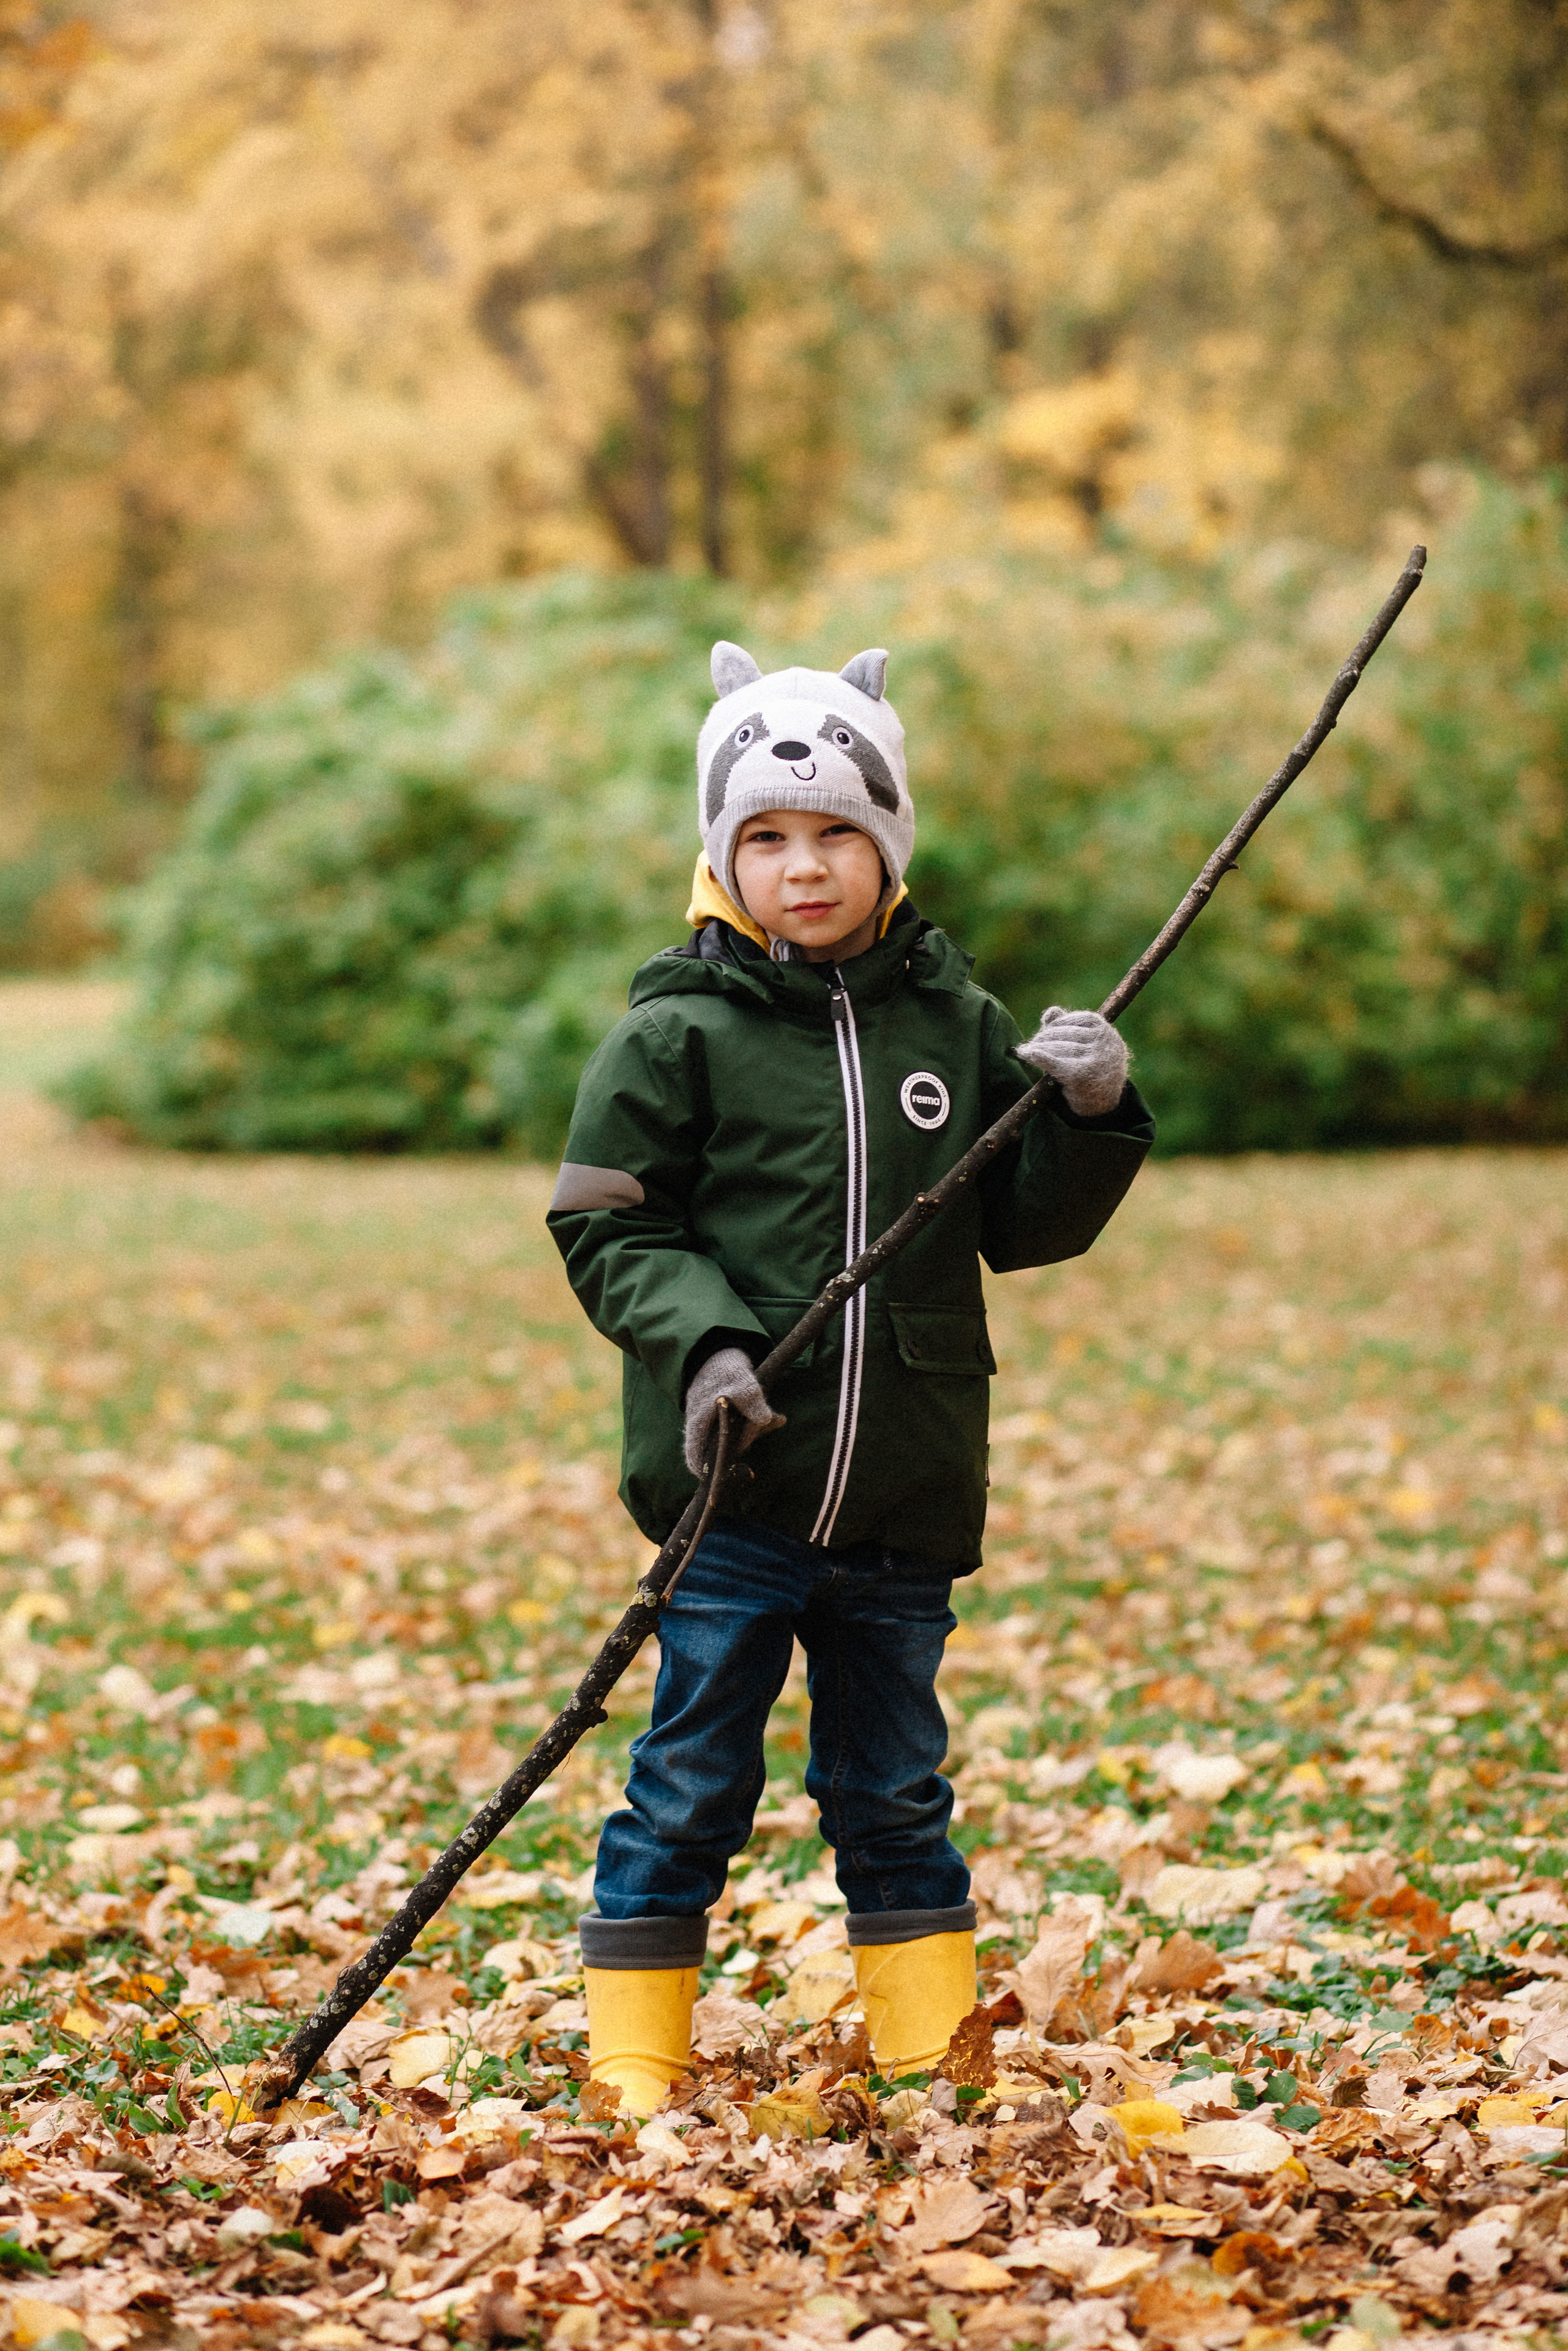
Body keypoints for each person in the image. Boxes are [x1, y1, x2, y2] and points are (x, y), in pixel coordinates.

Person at [547, 640, 1154, 2115]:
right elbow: (608, 1224)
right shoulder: (671, 1033)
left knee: (892, 1787)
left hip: (900, 1492)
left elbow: (1019, 1225)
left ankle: (929, 2056)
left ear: (887, 842)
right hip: (734, 1493)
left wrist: (1089, 1110)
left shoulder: (952, 1022)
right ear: (721, 855)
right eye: (764, 836)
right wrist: (708, 1345)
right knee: (690, 1778)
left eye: (834, 832)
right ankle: (635, 2062)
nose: (802, 865)